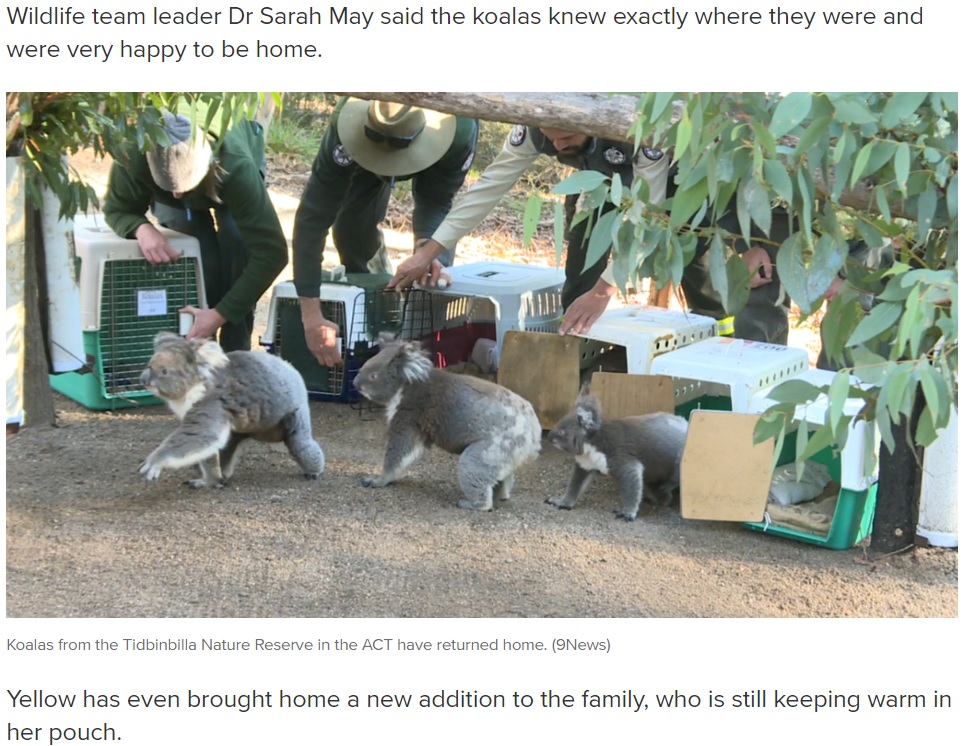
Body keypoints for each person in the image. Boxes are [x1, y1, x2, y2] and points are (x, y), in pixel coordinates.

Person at [395, 124, 789, 344]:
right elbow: (488, 189)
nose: (558, 144)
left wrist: (606, 290)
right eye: (550, 136)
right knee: (580, 274)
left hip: (681, 190)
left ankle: (717, 348)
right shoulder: (535, 130)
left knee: (705, 282)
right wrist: (429, 251)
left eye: (566, 134)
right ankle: (576, 360)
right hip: (602, 189)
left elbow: (648, 215)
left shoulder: (636, 125)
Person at [292, 97, 479, 367]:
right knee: (349, 231)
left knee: (432, 271)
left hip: (434, 148)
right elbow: (313, 217)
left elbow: (436, 201)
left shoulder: (457, 131)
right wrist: (310, 315)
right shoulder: (345, 126)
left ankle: (422, 348)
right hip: (362, 148)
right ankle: (375, 311)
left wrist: (426, 252)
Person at [103, 108, 286, 352]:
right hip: (179, 189)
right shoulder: (131, 151)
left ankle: (235, 350)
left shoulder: (235, 165)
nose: (178, 195)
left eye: (183, 188)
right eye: (171, 188)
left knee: (237, 244)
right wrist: (140, 228)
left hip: (224, 176)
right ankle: (197, 344)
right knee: (198, 255)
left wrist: (221, 314)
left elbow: (272, 253)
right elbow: (117, 208)